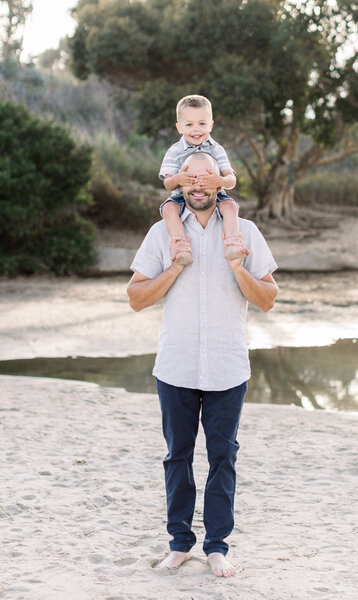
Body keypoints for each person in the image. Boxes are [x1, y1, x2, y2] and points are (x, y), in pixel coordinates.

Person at [127, 152, 278, 577]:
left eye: (204, 176)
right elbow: (137, 297)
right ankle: (179, 543)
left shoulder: (244, 232)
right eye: (188, 177)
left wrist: (237, 265)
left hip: (228, 367)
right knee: (177, 455)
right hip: (176, 365)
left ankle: (216, 547)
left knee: (223, 458)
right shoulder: (163, 234)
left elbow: (267, 298)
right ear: (179, 184)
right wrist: (176, 266)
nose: (196, 184)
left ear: (219, 181)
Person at [159, 94, 249, 265]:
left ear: (211, 125)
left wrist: (220, 181)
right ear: (179, 127)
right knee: (168, 210)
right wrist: (179, 178)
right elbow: (167, 183)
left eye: (202, 124)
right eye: (189, 124)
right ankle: (181, 246)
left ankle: (231, 243)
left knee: (230, 206)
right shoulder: (174, 151)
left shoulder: (217, 149)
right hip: (182, 196)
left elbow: (231, 180)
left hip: (213, 195)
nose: (196, 129)